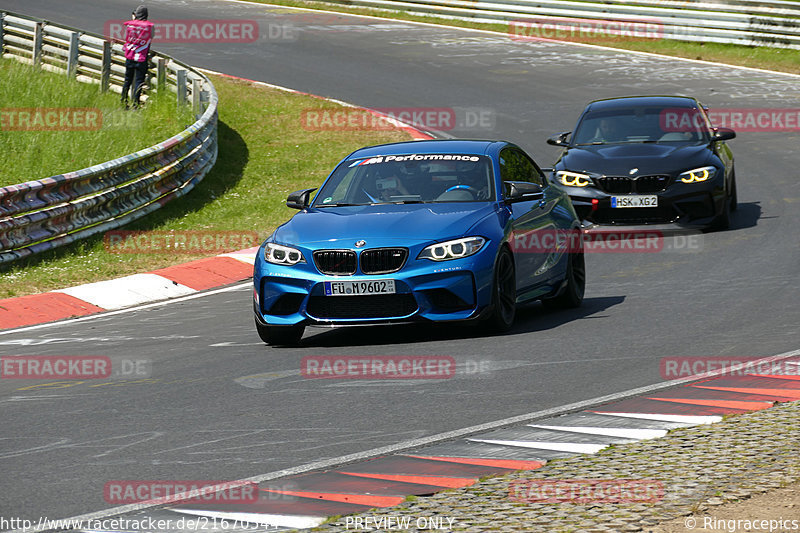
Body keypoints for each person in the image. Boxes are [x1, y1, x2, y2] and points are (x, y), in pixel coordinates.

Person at [121, 5, 153, 109]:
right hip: (141, 58)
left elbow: (127, 39)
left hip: (129, 56)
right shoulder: (149, 26)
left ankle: (123, 102)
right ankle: (135, 105)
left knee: (127, 80)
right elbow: (151, 37)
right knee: (139, 82)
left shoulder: (129, 25)